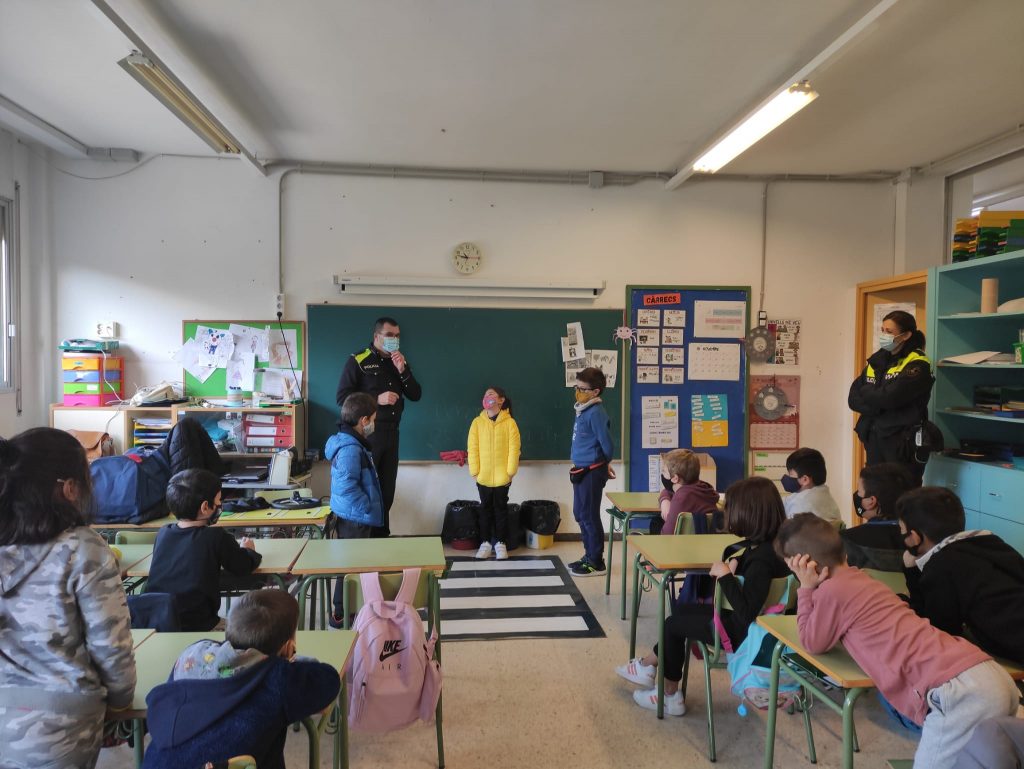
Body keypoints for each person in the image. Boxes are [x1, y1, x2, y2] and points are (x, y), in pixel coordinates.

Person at [777, 513, 1018, 769]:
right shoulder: (864, 580)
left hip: (961, 692)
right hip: (986, 674)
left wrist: (806, 588)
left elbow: (811, 641)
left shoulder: (831, 590)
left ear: (807, 566)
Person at [0, 427, 136, 769]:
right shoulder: (83, 548)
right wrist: (121, 700)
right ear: (69, 488)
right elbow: (111, 645)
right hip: (62, 723)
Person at [615, 477, 789, 716]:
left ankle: (669, 695)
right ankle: (649, 665)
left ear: (749, 515)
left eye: (732, 510)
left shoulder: (761, 560)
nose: (728, 516)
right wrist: (737, 565)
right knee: (682, 611)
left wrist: (726, 576)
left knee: (673, 624)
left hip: (742, 634)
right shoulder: (774, 547)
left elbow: (747, 612)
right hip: (760, 629)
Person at [143, 590, 341, 769]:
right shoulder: (278, 679)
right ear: (288, 647)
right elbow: (329, 681)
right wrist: (290, 659)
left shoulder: (192, 655)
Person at [898, 486, 1024, 664]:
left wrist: (911, 572)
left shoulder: (941, 565)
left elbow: (939, 631)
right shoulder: (991, 542)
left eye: (902, 530)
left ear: (915, 536)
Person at [145, 469, 263, 631]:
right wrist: (249, 551)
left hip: (158, 622)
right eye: (219, 500)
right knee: (246, 631)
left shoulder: (163, 533)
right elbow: (242, 567)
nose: (220, 505)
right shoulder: (216, 536)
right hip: (199, 624)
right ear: (205, 507)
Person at [336, 316, 422, 537]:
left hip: (392, 434)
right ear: (376, 336)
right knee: (368, 490)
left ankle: (382, 537)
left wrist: (403, 370)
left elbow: (415, 394)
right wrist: (376, 399)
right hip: (368, 435)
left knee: (386, 492)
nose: (394, 339)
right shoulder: (359, 360)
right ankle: (367, 540)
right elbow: (342, 398)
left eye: (397, 336)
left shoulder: (399, 361)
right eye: (389, 335)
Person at [848, 309, 934, 483]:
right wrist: (878, 403)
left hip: (902, 440)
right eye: (882, 330)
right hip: (874, 436)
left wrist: (870, 394)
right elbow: (853, 399)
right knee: (875, 487)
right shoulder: (877, 360)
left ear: (906, 335)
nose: (884, 336)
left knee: (901, 488)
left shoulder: (917, 362)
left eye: (889, 331)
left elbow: (890, 398)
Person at [326, 392, 384, 626]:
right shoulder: (350, 448)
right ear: (363, 420)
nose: (373, 424)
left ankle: (351, 610)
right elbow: (347, 486)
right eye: (373, 419)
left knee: (354, 565)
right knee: (351, 567)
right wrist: (366, 507)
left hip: (353, 515)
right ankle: (342, 614)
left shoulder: (351, 442)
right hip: (355, 518)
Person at [568, 367, 615, 577]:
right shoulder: (583, 409)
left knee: (588, 515)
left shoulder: (595, 412)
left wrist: (605, 463)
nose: (578, 392)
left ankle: (596, 562)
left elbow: (607, 444)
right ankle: (588, 555)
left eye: (583, 389)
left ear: (595, 391)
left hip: (592, 470)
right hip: (581, 469)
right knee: (580, 513)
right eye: (576, 387)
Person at [467, 386, 521, 560]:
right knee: (485, 511)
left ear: (501, 400)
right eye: (485, 395)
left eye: (491, 394)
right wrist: (475, 472)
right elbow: (472, 448)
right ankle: (485, 543)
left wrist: (510, 472)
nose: (487, 397)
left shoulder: (510, 423)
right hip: (483, 476)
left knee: (501, 511)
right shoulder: (477, 422)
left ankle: (501, 544)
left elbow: (514, 449)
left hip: (502, 477)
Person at [842, 462, 914, 571]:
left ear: (871, 501)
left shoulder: (847, 540)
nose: (856, 495)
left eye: (859, 491)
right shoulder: (920, 539)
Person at [654, 448, 719, 535]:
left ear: (675, 478)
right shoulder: (704, 488)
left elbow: (666, 534)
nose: (662, 474)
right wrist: (665, 500)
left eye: (664, 472)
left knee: (655, 523)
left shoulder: (681, 498)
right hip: (706, 540)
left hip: (683, 541)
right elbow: (668, 490)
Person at [780, 447, 841, 524]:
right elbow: (786, 501)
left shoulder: (802, 505)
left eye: (791, 474)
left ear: (805, 479)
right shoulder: (822, 493)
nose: (788, 477)